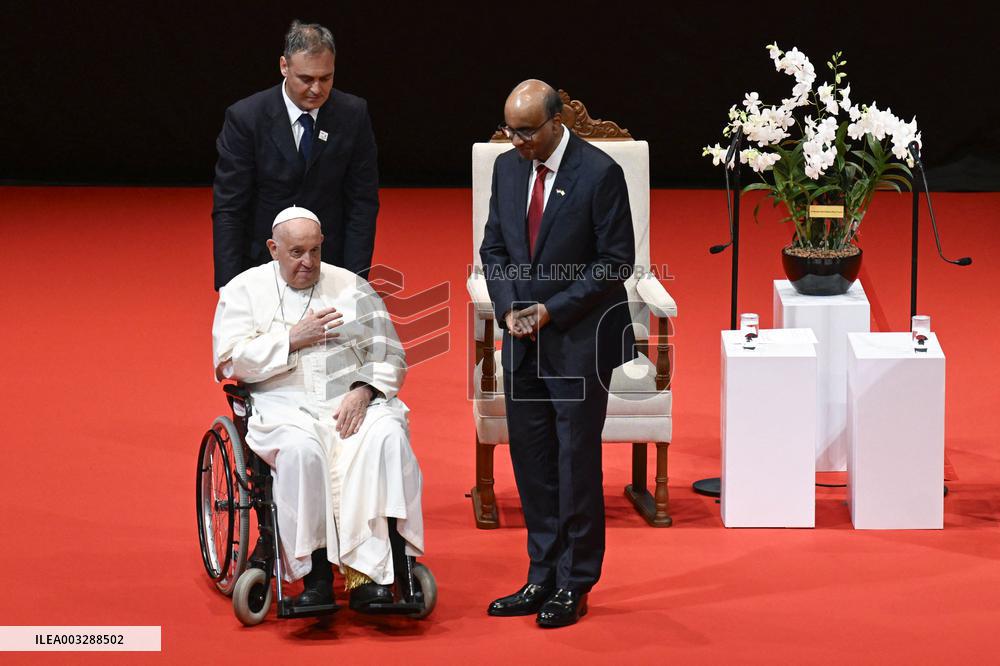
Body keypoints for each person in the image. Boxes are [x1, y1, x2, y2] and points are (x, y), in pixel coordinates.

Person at [479, 80, 636, 627]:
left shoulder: (599, 174)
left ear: (556, 121)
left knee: (574, 463)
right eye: (510, 131)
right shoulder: (505, 168)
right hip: (520, 340)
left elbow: (616, 261)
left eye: (526, 132)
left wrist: (551, 309)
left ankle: (575, 581)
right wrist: (506, 309)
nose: (516, 141)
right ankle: (540, 573)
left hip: (578, 339)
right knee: (533, 461)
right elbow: (494, 247)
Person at [212, 206, 423, 612]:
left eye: (314, 251)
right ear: (273, 248)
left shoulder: (352, 287)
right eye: (295, 253)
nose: (307, 262)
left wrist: (364, 390)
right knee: (302, 452)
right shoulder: (243, 290)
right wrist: (291, 339)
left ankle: (373, 575)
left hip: (349, 401)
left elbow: (390, 354)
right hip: (282, 403)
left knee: (386, 436)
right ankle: (316, 575)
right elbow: (228, 361)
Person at [212, 20, 379, 291]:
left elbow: (362, 202)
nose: (316, 89)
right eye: (306, 79)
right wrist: (229, 286)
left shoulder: (353, 114)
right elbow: (230, 208)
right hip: (262, 264)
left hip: (328, 263)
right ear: (284, 66)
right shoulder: (245, 118)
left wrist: (356, 280)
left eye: (326, 78)